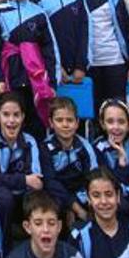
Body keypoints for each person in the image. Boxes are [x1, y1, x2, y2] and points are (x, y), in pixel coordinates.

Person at [0, 0, 60, 136]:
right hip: (11, 76)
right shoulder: (0, 11)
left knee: (36, 122)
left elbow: (49, 48)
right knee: (12, 122)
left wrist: (52, 81)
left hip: (35, 79)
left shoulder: (39, 12)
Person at [66, 0, 129, 114]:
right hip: (89, 64)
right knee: (92, 112)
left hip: (115, 61)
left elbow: (128, 31)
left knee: (118, 108)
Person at [0, 92, 49, 242]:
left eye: (16, 115)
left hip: (24, 194)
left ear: (23, 117)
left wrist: (10, 180)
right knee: (3, 198)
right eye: (6, 115)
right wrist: (24, 179)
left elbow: (37, 180)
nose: (11, 121)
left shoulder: (30, 141)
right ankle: (2, 250)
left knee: (39, 198)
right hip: (2, 196)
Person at [94, 97, 129, 230]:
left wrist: (125, 189)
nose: (116, 127)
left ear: (128, 124)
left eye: (121, 122)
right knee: (121, 206)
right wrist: (120, 159)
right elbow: (107, 180)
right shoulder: (98, 147)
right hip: (109, 192)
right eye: (110, 122)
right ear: (103, 124)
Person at [43, 95, 100, 224]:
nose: (65, 125)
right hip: (56, 195)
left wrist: (80, 200)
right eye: (59, 120)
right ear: (51, 123)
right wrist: (75, 207)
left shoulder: (84, 146)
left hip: (81, 194)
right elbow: (49, 181)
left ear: (77, 123)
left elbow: (92, 175)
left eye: (69, 120)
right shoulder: (46, 148)